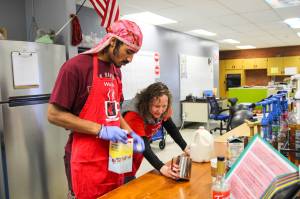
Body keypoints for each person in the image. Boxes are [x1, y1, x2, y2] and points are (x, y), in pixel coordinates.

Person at [47, 19, 145, 199]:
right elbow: (53, 115)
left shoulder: (116, 70)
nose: (130, 59)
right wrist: (101, 130)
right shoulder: (76, 67)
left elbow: (114, 110)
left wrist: (131, 133)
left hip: (114, 157)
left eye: (134, 54)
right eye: (128, 52)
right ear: (113, 42)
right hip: (86, 160)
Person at [122, 82, 190, 181]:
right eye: (157, 106)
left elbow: (170, 126)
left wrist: (185, 147)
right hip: (123, 151)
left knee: (132, 175)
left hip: (139, 150)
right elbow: (143, 145)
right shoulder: (133, 115)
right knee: (124, 181)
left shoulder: (163, 106)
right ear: (147, 103)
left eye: (164, 106)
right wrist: (161, 167)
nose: (161, 110)